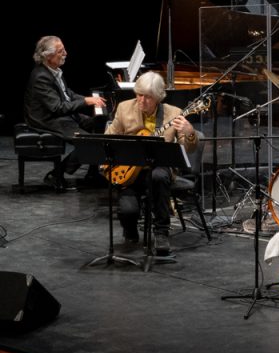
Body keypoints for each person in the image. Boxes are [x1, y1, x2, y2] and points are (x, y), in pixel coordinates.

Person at [105, 72, 198, 254]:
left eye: (148, 97)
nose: (142, 100)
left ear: (158, 97)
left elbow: (187, 149)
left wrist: (189, 133)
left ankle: (161, 232)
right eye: (139, 95)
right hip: (130, 171)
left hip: (158, 168)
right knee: (128, 212)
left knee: (159, 176)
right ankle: (130, 230)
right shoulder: (124, 108)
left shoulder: (173, 113)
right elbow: (109, 138)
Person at [24, 35, 107, 179]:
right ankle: (56, 174)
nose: (65, 53)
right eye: (60, 51)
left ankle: (92, 173)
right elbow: (57, 108)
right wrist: (86, 102)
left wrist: (89, 99)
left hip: (60, 114)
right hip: (47, 118)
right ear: (48, 56)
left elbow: (68, 94)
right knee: (89, 143)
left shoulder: (54, 69)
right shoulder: (41, 77)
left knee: (101, 122)